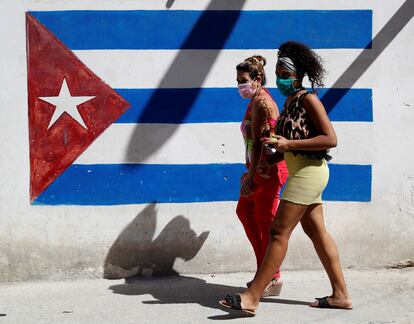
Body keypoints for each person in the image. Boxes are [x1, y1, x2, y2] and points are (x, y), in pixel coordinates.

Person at [220, 42, 352, 316]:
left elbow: (330, 139)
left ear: (298, 74)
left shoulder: (308, 99)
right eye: (278, 70)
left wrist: (288, 145)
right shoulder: (290, 102)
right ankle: (341, 295)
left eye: (284, 71)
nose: (279, 77)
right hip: (299, 170)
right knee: (317, 232)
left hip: (309, 172)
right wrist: (275, 154)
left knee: (278, 231)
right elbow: (290, 141)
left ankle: (252, 296)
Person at [235, 55, 288, 297]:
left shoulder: (262, 104)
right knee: (246, 213)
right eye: (237, 80)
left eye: (243, 80)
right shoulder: (254, 100)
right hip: (257, 168)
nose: (239, 85)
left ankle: (270, 276)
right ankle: (264, 273)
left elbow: (259, 144)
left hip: (267, 171)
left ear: (257, 80)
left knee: (264, 222)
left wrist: (252, 177)